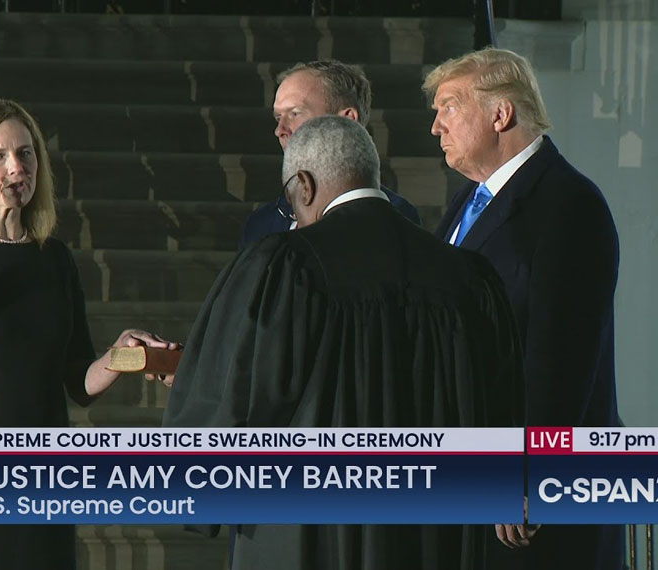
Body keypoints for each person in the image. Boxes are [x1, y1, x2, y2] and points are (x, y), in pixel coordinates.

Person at [163, 115, 525, 570]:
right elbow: (502, 406)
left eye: (292, 202)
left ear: (305, 185)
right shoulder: (468, 276)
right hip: (435, 536)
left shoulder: (287, 265)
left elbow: (238, 398)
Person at [0, 98, 175, 570]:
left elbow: (77, 380)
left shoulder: (55, 259)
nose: (16, 168)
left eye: (26, 154)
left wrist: (120, 354)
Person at [425, 47, 623, 569]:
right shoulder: (465, 204)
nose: (435, 127)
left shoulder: (568, 203)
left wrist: (529, 472)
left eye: (448, 107)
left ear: (500, 113)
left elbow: (561, 355)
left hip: (532, 503)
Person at [238, 60, 420, 249]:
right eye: (278, 117)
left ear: (347, 120)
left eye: (295, 113)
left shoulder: (397, 218)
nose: (280, 130)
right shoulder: (262, 224)